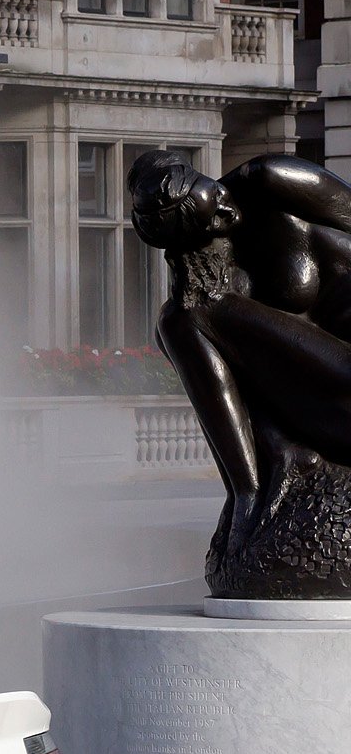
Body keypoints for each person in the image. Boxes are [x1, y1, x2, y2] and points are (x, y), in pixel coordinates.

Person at [127, 151, 351, 559]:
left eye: (215, 194)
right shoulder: (219, 267)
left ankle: (249, 490)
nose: (228, 213)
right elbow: (235, 370)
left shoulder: (268, 181)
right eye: (211, 222)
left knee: (186, 317)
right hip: (334, 414)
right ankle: (252, 484)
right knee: (180, 321)